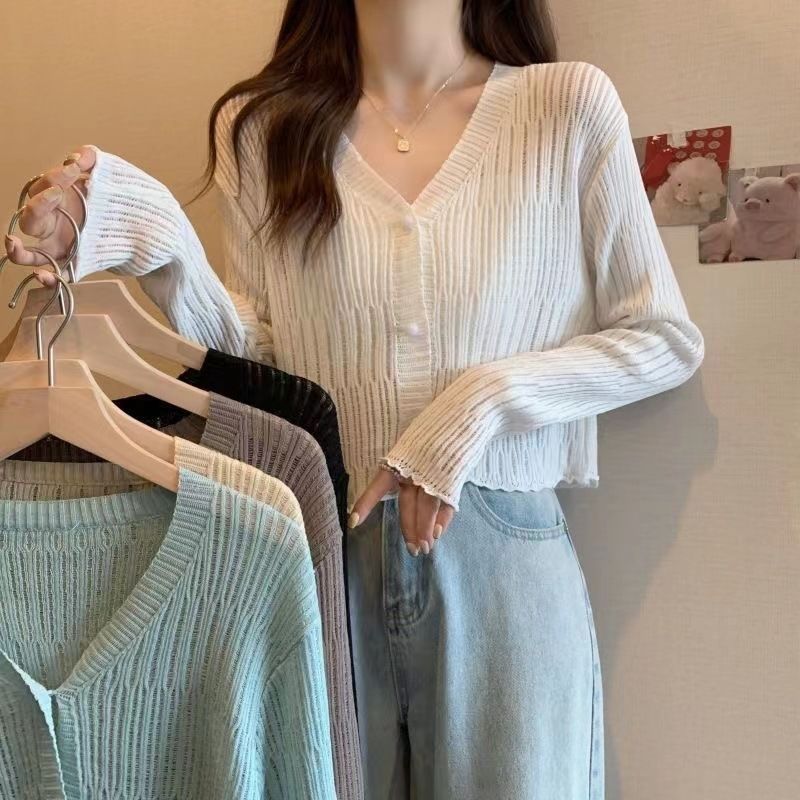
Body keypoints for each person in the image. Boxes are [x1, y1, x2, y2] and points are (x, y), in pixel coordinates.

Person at [5, 1, 705, 797]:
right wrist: (163, 247)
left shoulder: (565, 106)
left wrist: (478, 404)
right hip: (319, 546)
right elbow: (259, 369)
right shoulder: (263, 128)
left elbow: (662, 337)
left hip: (502, 558)